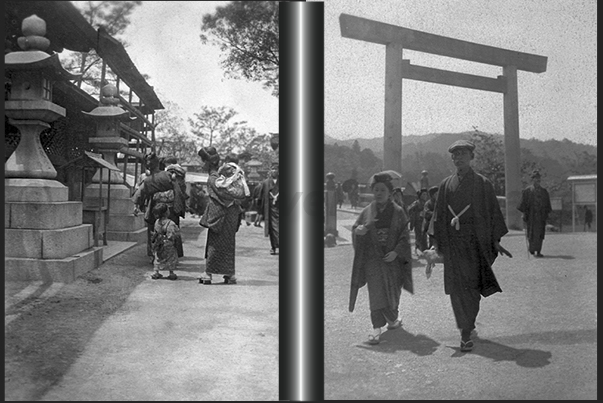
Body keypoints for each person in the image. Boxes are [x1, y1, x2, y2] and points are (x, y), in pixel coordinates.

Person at [428, 139, 512, 352]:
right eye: (455, 155)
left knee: (472, 289)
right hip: (454, 245)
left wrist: (495, 240)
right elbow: (438, 216)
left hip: (474, 245)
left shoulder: (483, 184)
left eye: (463, 154)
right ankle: (465, 330)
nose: (459, 158)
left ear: (471, 157)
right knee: (457, 289)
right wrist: (436, 243)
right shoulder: (446, 184)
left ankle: (468, 326)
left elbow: (493, 213)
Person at [349, 171, 413, 345]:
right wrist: (359, 231)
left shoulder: (398, 212)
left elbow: (405, 237)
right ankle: (376, 329)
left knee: (393, 293)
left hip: (392, 260)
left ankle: (392, 320)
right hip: (374, 259)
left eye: (382, 190)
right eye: (376, 190)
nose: (378, 193)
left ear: (390, 193)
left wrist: (396, 252)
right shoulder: (367, 211)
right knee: (376, 294)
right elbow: (356, 228)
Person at [198, 146, 246, 284]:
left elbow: (224, 195)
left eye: (202, 161)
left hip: (221, 215)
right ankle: (229, 274)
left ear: (208, 162)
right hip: (230, 214)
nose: (201, 164)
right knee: (228, 244)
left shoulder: (214, 178)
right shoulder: (222, 177)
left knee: (214, 244)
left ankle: (208, 274)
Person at [517, 169, 552, 257]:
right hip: (531, 216)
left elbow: (547, 204)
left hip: (540, 216)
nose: (537, 180)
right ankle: (532, 249)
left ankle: (538, 251)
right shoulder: (527, 191)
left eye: (538, 179)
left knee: (540, 233)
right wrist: (524, 213)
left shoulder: (544, 192)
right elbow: (523, 204)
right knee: (531, 233)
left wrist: (546, 214)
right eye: (535, 179)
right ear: (532, 180)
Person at [150, 203, 180, 280]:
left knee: (158, 257)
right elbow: (172, 234)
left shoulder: (157, 222)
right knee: (171, 257)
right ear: (166, 212)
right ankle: (171, 273)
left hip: (159, 243)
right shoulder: (171, 223)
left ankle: (156, 272)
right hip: (168, 243)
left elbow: (156, 231)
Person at [257, 161, 279, 255]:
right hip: (269, 209)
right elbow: (260, 197)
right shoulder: (265, 183)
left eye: (276, 169)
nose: (274, 171)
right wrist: (260, 211)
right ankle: (273, 247)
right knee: (271, 228)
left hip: (279, 208)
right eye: (272, 169)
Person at [408, 188, 429, 254]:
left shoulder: (426, 203)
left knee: (424, 236)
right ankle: (418, 249)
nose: (425, 196)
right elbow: (410, 210)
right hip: (418, 222)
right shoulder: (416, 203)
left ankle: (423, 249)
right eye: (423, 194)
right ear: (420, 195)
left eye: (426, 194)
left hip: (424, 222)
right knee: (419, 236)